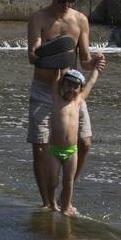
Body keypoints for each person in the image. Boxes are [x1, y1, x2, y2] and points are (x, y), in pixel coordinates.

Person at [26, 0, 107, 210]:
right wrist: (48, 56)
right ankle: (47, 203)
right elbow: (32, 55)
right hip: (43, 88)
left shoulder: (80, 20)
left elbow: (84, 59)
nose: (66, 4)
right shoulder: (38, 19)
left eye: (71, 0)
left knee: (85, 143)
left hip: (71, 90)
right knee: (40, 147)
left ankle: (66, 194)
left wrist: (95, 64)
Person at [47, 66, 100, 216]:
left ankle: (65, 208)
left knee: (68, 182)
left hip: (72, 151)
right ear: (62, 85)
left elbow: (91, 82)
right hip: (54, 150)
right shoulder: (56, 98)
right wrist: (57, 65)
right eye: (68, 84)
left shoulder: (78, 101)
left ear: (80, 89)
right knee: (52, 182)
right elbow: (55, 77)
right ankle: (51, 203)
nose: (71, 89)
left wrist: (96, 69)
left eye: (75, 86)